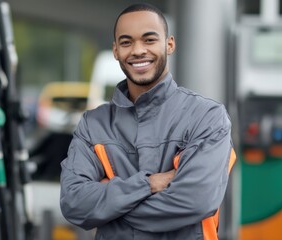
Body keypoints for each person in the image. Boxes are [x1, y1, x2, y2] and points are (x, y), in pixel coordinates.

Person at [59, 3, 235, 240]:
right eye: (126, 42)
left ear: (169, 44)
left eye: (149, 40)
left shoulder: (206, 117)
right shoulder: (93, 124)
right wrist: (149, 184)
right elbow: (74, 203)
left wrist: (109, 206)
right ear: (115, 50)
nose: (138, 50)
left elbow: (195, 201)